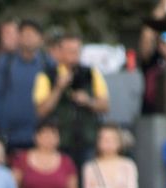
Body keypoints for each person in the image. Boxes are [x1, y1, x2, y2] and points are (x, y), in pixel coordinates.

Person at [33, 32, 109, 166]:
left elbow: (105, 106)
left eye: (77, 51)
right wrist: (58, 88)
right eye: (70, 51)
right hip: (58, 142)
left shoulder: (91, 73)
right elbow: (41, 111)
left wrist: (88, 101)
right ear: (59, 52)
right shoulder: (46, 75)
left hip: (87, 141)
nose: (74, 55)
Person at [0, 20, 48, 152]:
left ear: (40, 38)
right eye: (25, 34)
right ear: (19, 37)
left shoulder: (47, 63)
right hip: (9, 132)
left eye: (33, 35)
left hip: (38, 132)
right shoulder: (6, 61)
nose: (29, 39)